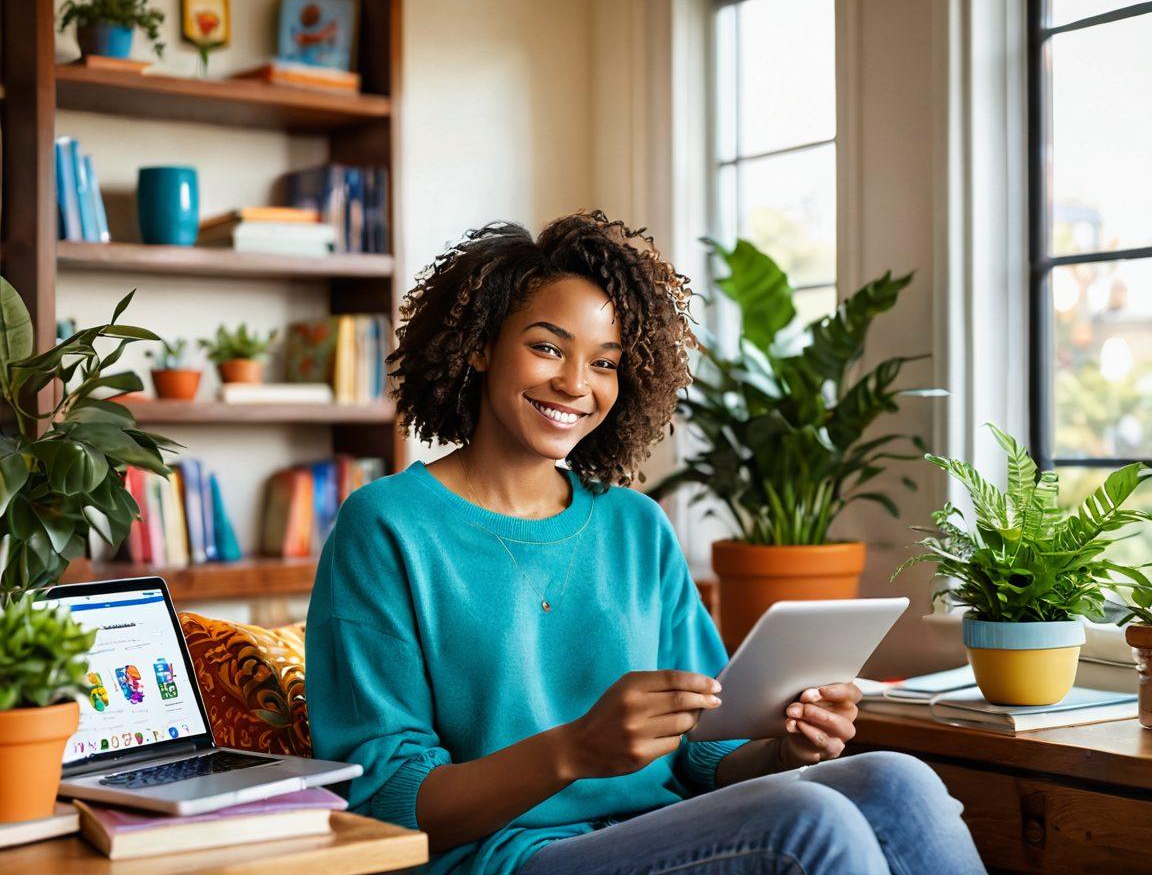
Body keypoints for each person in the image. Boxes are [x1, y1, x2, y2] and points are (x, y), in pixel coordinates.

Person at [306, 211, 986, 875]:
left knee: (900, 783)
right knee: (811, 823)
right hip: (509, 854)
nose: (576, 384)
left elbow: (704, 753)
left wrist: (785, 748)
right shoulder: (386, 525)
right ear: (481, 344)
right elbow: (386, 805)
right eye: (546, 347)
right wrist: (575, 750)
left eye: (604, 362)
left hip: (660, 832)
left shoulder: (635, 524)